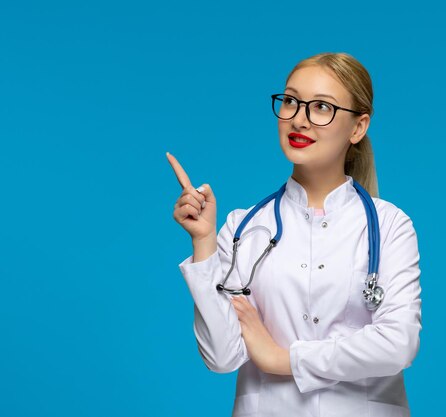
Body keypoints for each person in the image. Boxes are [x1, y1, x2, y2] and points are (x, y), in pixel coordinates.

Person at [167, 52, 422, 417]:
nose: (299, 119)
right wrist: (204, 242)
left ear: (358, 127)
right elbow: (222, 357)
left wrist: (282, 359)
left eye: (321, 107)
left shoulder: (389, 225)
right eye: (290, 101)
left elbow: (398, 343)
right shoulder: (244, 228)